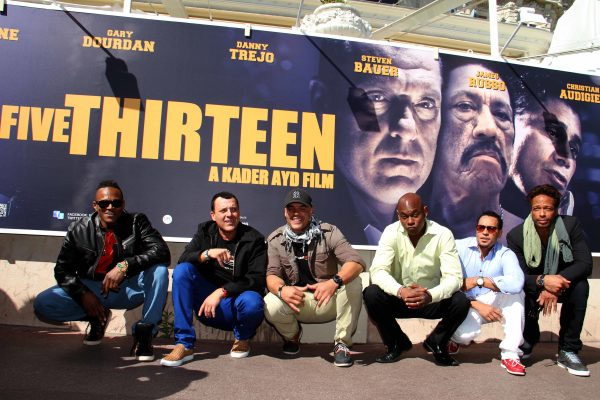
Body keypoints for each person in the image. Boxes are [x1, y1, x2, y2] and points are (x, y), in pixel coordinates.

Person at [310, 41, 442, 244]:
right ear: (322, 102)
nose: (407, 129)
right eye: (377, 97)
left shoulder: (444, 227)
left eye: (426, 103)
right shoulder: (304, 219)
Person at [34, 180, 170, 361]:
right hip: (93, 289)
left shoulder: (137, 222)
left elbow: (161, 251)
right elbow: (62, 269)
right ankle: (96, 317)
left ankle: (145, 333)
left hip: (128, 288)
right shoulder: (79, 229)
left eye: (116, 203)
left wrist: (125, 266)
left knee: (159, 271)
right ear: (95, 205)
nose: (110, 207)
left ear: (123, 205)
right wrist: (83, 294)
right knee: (43, 303)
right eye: (104, 203)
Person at [160, 192, 266, 367]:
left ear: (239, 213)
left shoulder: (253, 239)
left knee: (253, 301)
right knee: (182, 271)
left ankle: (242, 338)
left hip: (234, 306)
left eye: (233, 209)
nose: (229, 214)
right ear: (213, 215)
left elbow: (256, 279)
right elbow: (184, 259)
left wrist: (222, 292)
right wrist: (207, 253)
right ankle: (184, 344)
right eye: (223, 210)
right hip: (206, 307)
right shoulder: (205, 231)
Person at [363, 193, 469, 366]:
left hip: (431, 299)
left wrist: (430, 295)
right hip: (400, 298)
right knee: (371, 293)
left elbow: (454, 278)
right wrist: (401, 291)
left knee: (461, 301)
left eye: (415, 215)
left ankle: (437, 342)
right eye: (404, 217)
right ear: (398, 216)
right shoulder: (391, 232)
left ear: (425, 211)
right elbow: (378, 270)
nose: (410, 221)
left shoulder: (443, 234)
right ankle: (396, 342)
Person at [264, 188, 365, 367]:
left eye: (302, 208)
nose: (296, 213)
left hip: (328, 300)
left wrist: (334, 282)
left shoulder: (329, 233)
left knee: (355, 280)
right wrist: (282, 290)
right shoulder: (275, 239)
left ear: (311, 211)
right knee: (270, 302)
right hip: (298, 302)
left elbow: (355, 262)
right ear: (285, 212)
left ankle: (342, 344)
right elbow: (272, 275)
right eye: (291, 209)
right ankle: (292, 337)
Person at [507, 184, 592, 377]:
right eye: (537, 208)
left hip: (564, 285)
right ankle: (527, 341)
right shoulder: (516, 236)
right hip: (535, 285)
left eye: (548, 208)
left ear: (556, 209)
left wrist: (554, 284)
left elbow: (585, 264)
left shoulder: (570, 226)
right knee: (519, 290)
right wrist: (543, 281)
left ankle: (568, 350)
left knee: (581, 286)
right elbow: (519, 276)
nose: (542, 214)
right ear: (531, 209)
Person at [428, 60, 517, 242]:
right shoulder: (399, 226)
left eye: (501, 115)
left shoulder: (525, 237)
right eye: (465, 106)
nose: (489, 129)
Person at [451, 211, 526, 376]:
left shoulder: (505, 254)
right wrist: (477, 305)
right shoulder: (458, 247)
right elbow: (448, 284)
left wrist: (480, 280)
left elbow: (516, 283)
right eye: (481, 227)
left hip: (493, 299)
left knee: (515, 294)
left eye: (491, 229)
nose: (485, 232)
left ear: (499, 233)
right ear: (476, 230)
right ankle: (453, 339)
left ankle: (510, 354)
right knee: (465, 336)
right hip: (466, 302)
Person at [502, 74, 582, 218]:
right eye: (553, 133)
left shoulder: (575, 237)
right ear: (511, 124)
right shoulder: (467, 218)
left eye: (573, 149)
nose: (566, 158)